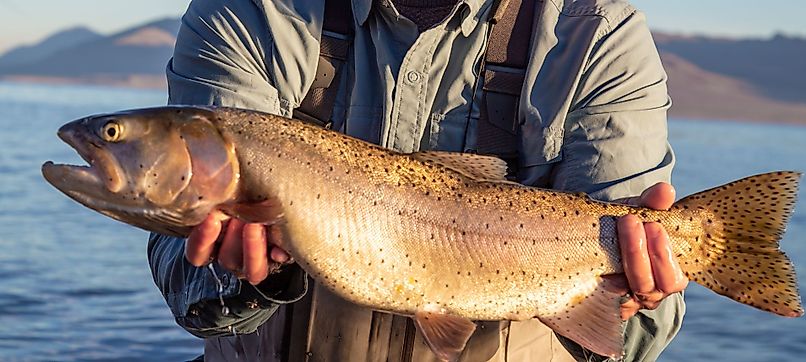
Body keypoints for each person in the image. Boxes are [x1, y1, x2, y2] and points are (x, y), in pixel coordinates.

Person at [148, 0, 688, 360]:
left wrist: (631, 297)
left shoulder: (595, 32)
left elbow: (639, 336)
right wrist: (250, 277)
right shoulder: (253, 12)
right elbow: (185, 274)